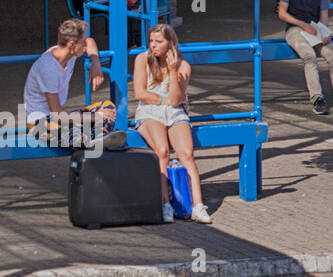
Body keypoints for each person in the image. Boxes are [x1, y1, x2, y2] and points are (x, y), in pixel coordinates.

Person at [133, 24, 211, 224]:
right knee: (162, 151)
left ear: (171, 43)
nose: (153, 45)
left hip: (175, 113)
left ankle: (198, 206)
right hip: (150, 112)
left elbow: (176, 99)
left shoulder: (183, 66)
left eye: (159, 41)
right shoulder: (142, 59)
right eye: (151, 41)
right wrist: (162, 100)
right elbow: (140, 93)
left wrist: (172, 71)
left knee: (186, 154)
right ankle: (166, 204)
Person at [23, 18, 121, 149]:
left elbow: (90, 41)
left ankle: (95, 139)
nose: (85, 47)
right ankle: (94, 139)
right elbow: (57, 115)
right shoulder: (48, 69)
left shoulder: (69, 52)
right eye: (82, 43)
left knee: (108, 106)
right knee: (74, 131)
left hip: (59, 117)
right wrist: (96, 116)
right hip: (41, 122)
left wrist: (95, 63)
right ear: (71, 44)